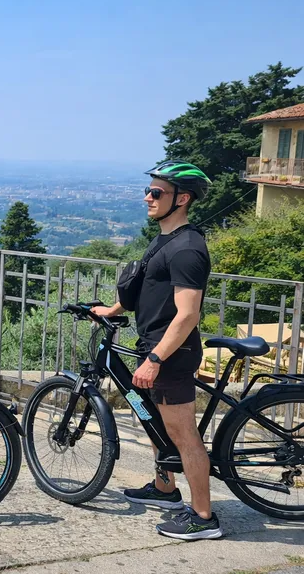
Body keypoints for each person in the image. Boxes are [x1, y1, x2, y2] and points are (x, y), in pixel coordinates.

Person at [91, 161, 221, 540]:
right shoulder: (165, 238)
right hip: (154, 347)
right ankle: (166, 490)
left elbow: (187, 314)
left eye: (157, 193)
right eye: (149, 190)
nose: (147, 197)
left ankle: (203, 517)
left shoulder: (187, 249)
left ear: (182, 199)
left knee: (184, 436)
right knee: (155, 424)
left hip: (170, 355)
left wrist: (155, 359)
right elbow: (146, 284)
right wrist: (111, 310)